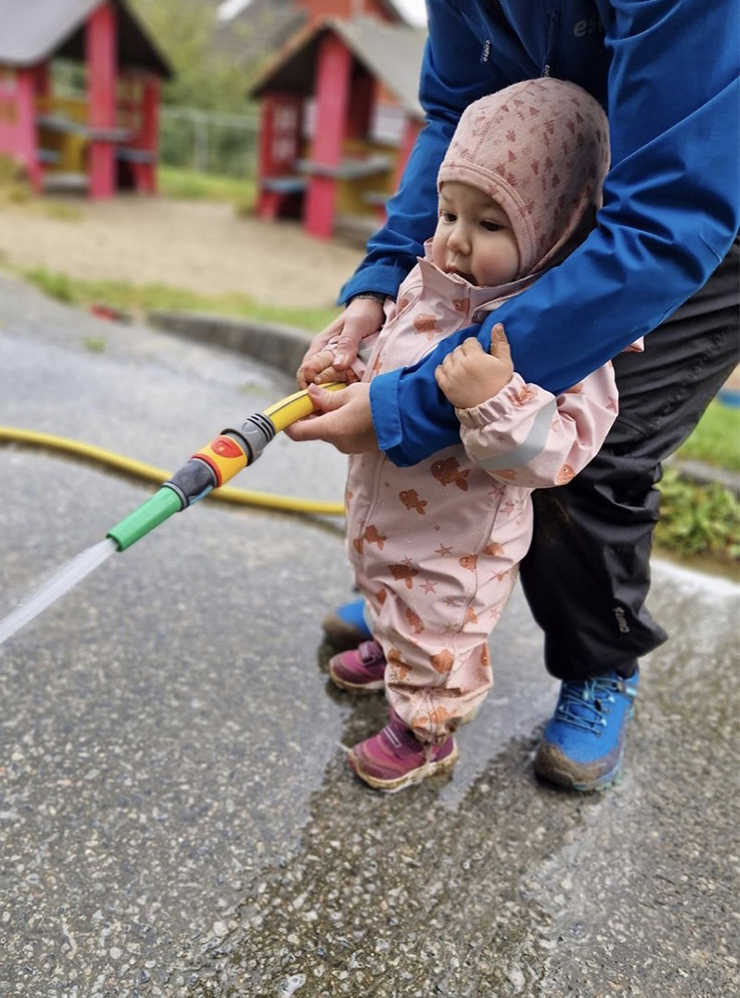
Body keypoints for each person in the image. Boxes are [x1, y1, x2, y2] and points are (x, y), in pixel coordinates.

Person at [288, 1, 740, 792]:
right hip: (529, 201)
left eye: (466, 226)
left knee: (606, 454)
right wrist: (378, 293)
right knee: (428, 397)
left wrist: (424, 406)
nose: (450, 238)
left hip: (689, 204)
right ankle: (405, 617)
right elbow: (459, 114)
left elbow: (670, 216)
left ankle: (594, 659)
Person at [303, 78, 630, 793]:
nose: (453, 237)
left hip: (460, 543)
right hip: (387, 506)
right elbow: (397, 349)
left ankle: (425, 729)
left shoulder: (563, 335)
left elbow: (559, 454)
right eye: (449, 210)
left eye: (489, 225)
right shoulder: (434, 280)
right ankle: (391, 656)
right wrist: (353, 358)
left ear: (558, 231)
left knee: (437, 630)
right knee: (379, 583)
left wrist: (494, 401)